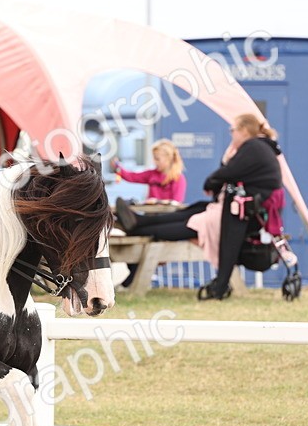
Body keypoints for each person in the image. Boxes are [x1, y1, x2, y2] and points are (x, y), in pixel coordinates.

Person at [115, 114, 282, 299]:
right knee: (192, 211)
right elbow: (229, 173)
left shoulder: (253, 146)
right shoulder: (260, 147)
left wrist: (212, 182)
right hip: (229, 210)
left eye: (232, 130)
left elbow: (228, 171)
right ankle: (139, 221)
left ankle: (137, 225)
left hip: (235, 214)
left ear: (243, 130)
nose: (231, 134)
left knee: (189, 223)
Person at [113, 140, 186, 203]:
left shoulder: (178, 178)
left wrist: (157, 202)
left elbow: (176, 202)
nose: (154, 162)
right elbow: (131, 176)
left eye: (157, 159)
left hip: (169, 216)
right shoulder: (151, 174)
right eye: (154, 158)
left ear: (168, 158)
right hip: (150, 214)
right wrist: (117, 166)